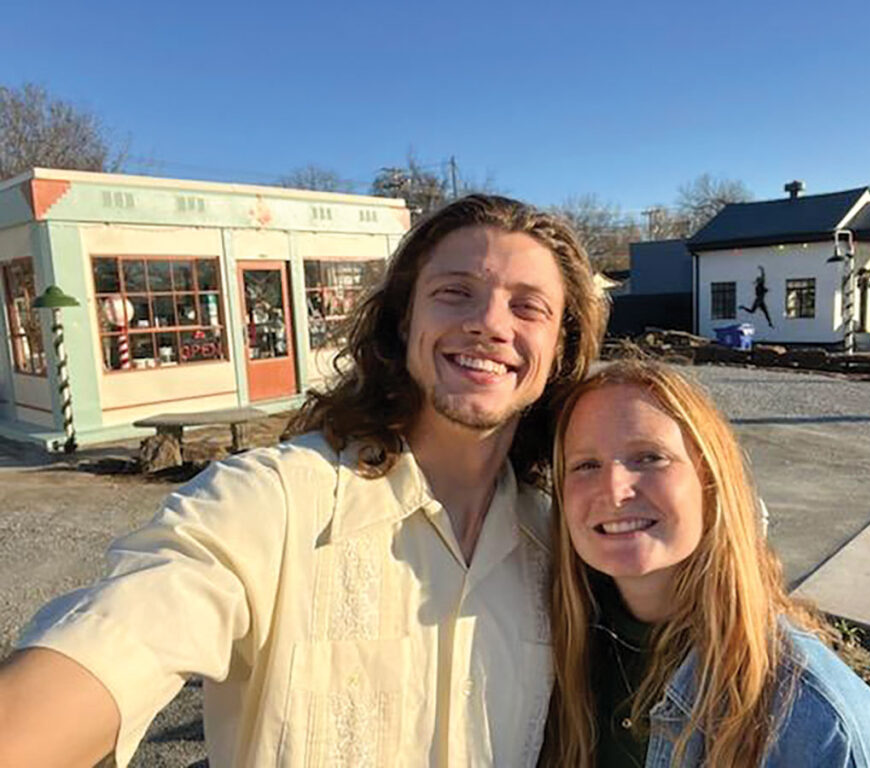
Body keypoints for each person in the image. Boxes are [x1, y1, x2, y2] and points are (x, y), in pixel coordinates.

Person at [0, 194, 608, 767]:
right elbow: (120, 637)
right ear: (403, 322)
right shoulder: (270, 502)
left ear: (560, 349)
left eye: (528, 306)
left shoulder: (561, 543)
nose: (489, 324)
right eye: (455, 292)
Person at [544, 359, 870, 767]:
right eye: (586, 465)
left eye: (648, 457)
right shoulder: (551, 660)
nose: (614, 490)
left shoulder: (819, 724)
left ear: (711, 481)